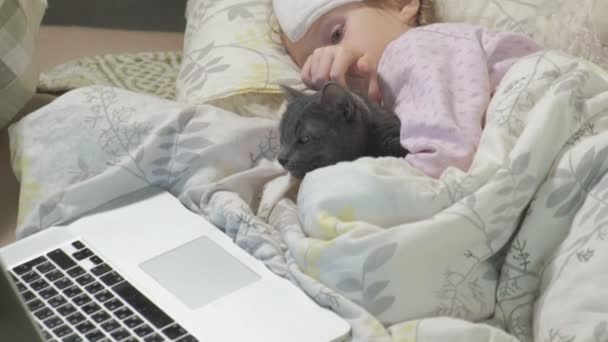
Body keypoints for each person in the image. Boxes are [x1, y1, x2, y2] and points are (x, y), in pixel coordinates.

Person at [271, 0, 540, 178]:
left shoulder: (415, 47)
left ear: (402, 2)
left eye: (337, 35)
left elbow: (446, 161)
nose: (328, 66)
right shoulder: (394, 106)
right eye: (311, 63)